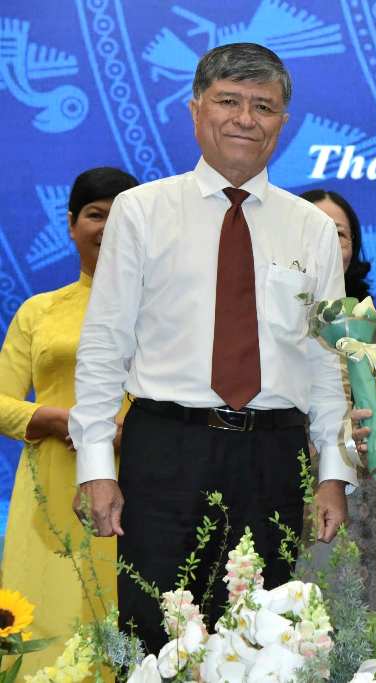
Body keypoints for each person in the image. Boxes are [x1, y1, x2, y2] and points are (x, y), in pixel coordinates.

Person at [69, 43, 367, 652]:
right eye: (228, 100)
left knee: (265, 643)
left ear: (283, 122)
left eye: (265, 106)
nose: (245, 118)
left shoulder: (309, 227)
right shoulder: (141, 211)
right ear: (196, 109)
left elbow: (326, 361)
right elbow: (104, 346)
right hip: (165, 452)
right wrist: (97, 466)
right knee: (158, 641)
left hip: (275, 457)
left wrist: (334, 473)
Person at [0, 166, 138, 675]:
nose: (105, 227)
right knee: (47, 619)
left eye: (119, 216)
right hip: (52, 486)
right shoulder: (40, 311)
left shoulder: (166, 311)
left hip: (144, 480)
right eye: (94, 215)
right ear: (71, 224)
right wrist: (58, 419)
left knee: (133, 615)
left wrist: (135, 431)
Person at [300, 188, 376, 613]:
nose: (329, 245)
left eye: (340, 235)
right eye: (315, 231)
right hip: (286, 492)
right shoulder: (266, 325)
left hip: (371, 506)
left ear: (354, 247)